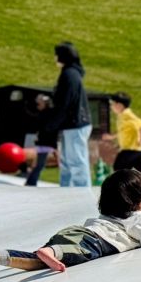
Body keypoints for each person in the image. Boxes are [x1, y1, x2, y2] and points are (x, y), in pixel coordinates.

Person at [0, 169, 141, 273]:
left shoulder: (113, 215)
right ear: (137, 202)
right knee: (73, 255)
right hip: (93, 242)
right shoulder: (136, 218)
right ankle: (51, 252)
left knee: (37, 262)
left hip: (79, 232)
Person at [39, 41, 92, 188]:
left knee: (76, 161)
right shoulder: (71, 73)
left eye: (57, 55)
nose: (55, 58)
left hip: (75, 124)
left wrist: (51, 124)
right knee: (67, 161)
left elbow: (64, 103)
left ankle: (82, 191)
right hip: (73, 123)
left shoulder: (69, 75)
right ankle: (66, 190)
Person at [23, 93, 56, 187]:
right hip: (44, 143)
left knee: (39, 164)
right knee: (40, 164)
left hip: (46, 142)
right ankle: (31, 182)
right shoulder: (44, 114)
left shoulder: (47, 113)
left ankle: (30, 182)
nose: (38, 106)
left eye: (39, 103)